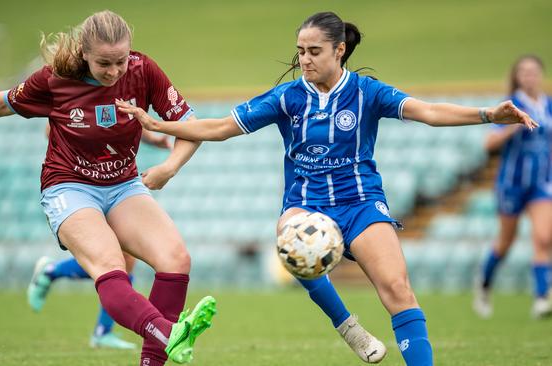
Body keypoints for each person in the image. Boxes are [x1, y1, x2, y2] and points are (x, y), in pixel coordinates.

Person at [117, 11, 537, 366]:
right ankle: (348, 327)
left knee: (398, 290)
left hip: (361, 203)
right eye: (300, 51)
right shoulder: (287, 97)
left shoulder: (368, 93)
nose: (304, 59)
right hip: (306, 204)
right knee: (290, 241)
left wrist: (487, 114)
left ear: (339, 51)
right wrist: (160, 124)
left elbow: (427, 111)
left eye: (314, 51)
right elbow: (220, 127)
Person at [0, 10, 217, 366]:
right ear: (84, 54)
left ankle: (155, 357)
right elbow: (5, 102)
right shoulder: (55, 79)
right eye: (104, 63)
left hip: (123, 184)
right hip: (69, 186)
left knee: (176, 259)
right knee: (110, 266)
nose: (114, 71)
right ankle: (168, 335)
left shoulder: (142, 70)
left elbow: (189, 123)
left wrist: (169, 168)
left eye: (121, 61)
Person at [27, 130, 173, 350]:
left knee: (124, 261)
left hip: (112, 181)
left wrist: (150, 138)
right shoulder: (72, 97)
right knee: (112, 260)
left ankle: (101, 330)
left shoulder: (114, 97)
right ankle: (53, 273)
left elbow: (116, 122)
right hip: (81, 184)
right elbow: (54, 129)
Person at [474, 55, 552, 319]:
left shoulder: (548, 105)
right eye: (524, 72)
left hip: (541, 183)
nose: (530, 76)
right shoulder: (511, 106)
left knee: (543, 238)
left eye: (534, 72)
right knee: (505, 242)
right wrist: (512, 128)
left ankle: (542, 298)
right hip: (512, 184)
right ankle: (484, 284)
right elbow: (489, 144)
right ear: (517, 77)